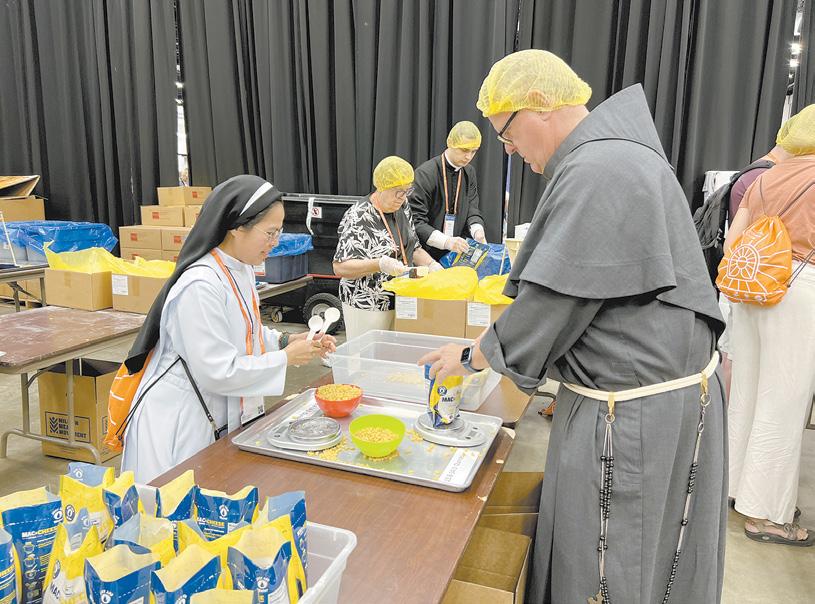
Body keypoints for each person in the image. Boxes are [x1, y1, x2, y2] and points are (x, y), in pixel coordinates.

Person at [419, 50, 727, 603]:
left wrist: (471, 357)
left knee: (609, 567)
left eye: (506, 134)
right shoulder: (620, 153)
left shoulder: (597, 169)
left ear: (540, 105)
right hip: (665, 397)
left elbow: (553, 301)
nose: (508, 149)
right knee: (660, 559)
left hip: (630, 415)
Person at [121, 175, 336, 483]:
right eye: (270, 232)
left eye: (279, 232)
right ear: (237, 226)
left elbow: (245, 331)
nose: (276, 242)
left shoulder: (240, 268)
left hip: (216, 411)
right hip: (182, 422)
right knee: (176, 502)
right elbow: (217, 371)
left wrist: (287, 340)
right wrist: (286, 358)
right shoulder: (200, 285)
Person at [724, 105, 815, 547]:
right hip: (800, 288)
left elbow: (733, 241)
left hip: (753, 287)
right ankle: (765, 516)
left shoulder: (767, 175)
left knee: (747, 392)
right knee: (784, 401)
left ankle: (736, 488)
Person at [333, 156, 441, 340]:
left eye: (407, 191)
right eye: (398, 192)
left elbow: (413, 247)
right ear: (381, 187)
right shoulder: (359, 216)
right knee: (365, 354)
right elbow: (340, 267)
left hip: (400, 298)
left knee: (391, 353)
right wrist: (379, 264)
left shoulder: (402, 206)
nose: (403, 197)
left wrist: (433, 265)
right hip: (368, 302)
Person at [408, 121, 487, 260]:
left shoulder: (469, 172)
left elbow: (472, 208)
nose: (469, 157)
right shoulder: (426, 174)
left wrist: (477, 231)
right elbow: (415, 221)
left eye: (473, 151)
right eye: (464, 150)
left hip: (456, 253)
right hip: (426, 254)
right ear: (450, 143)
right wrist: (446, 241)